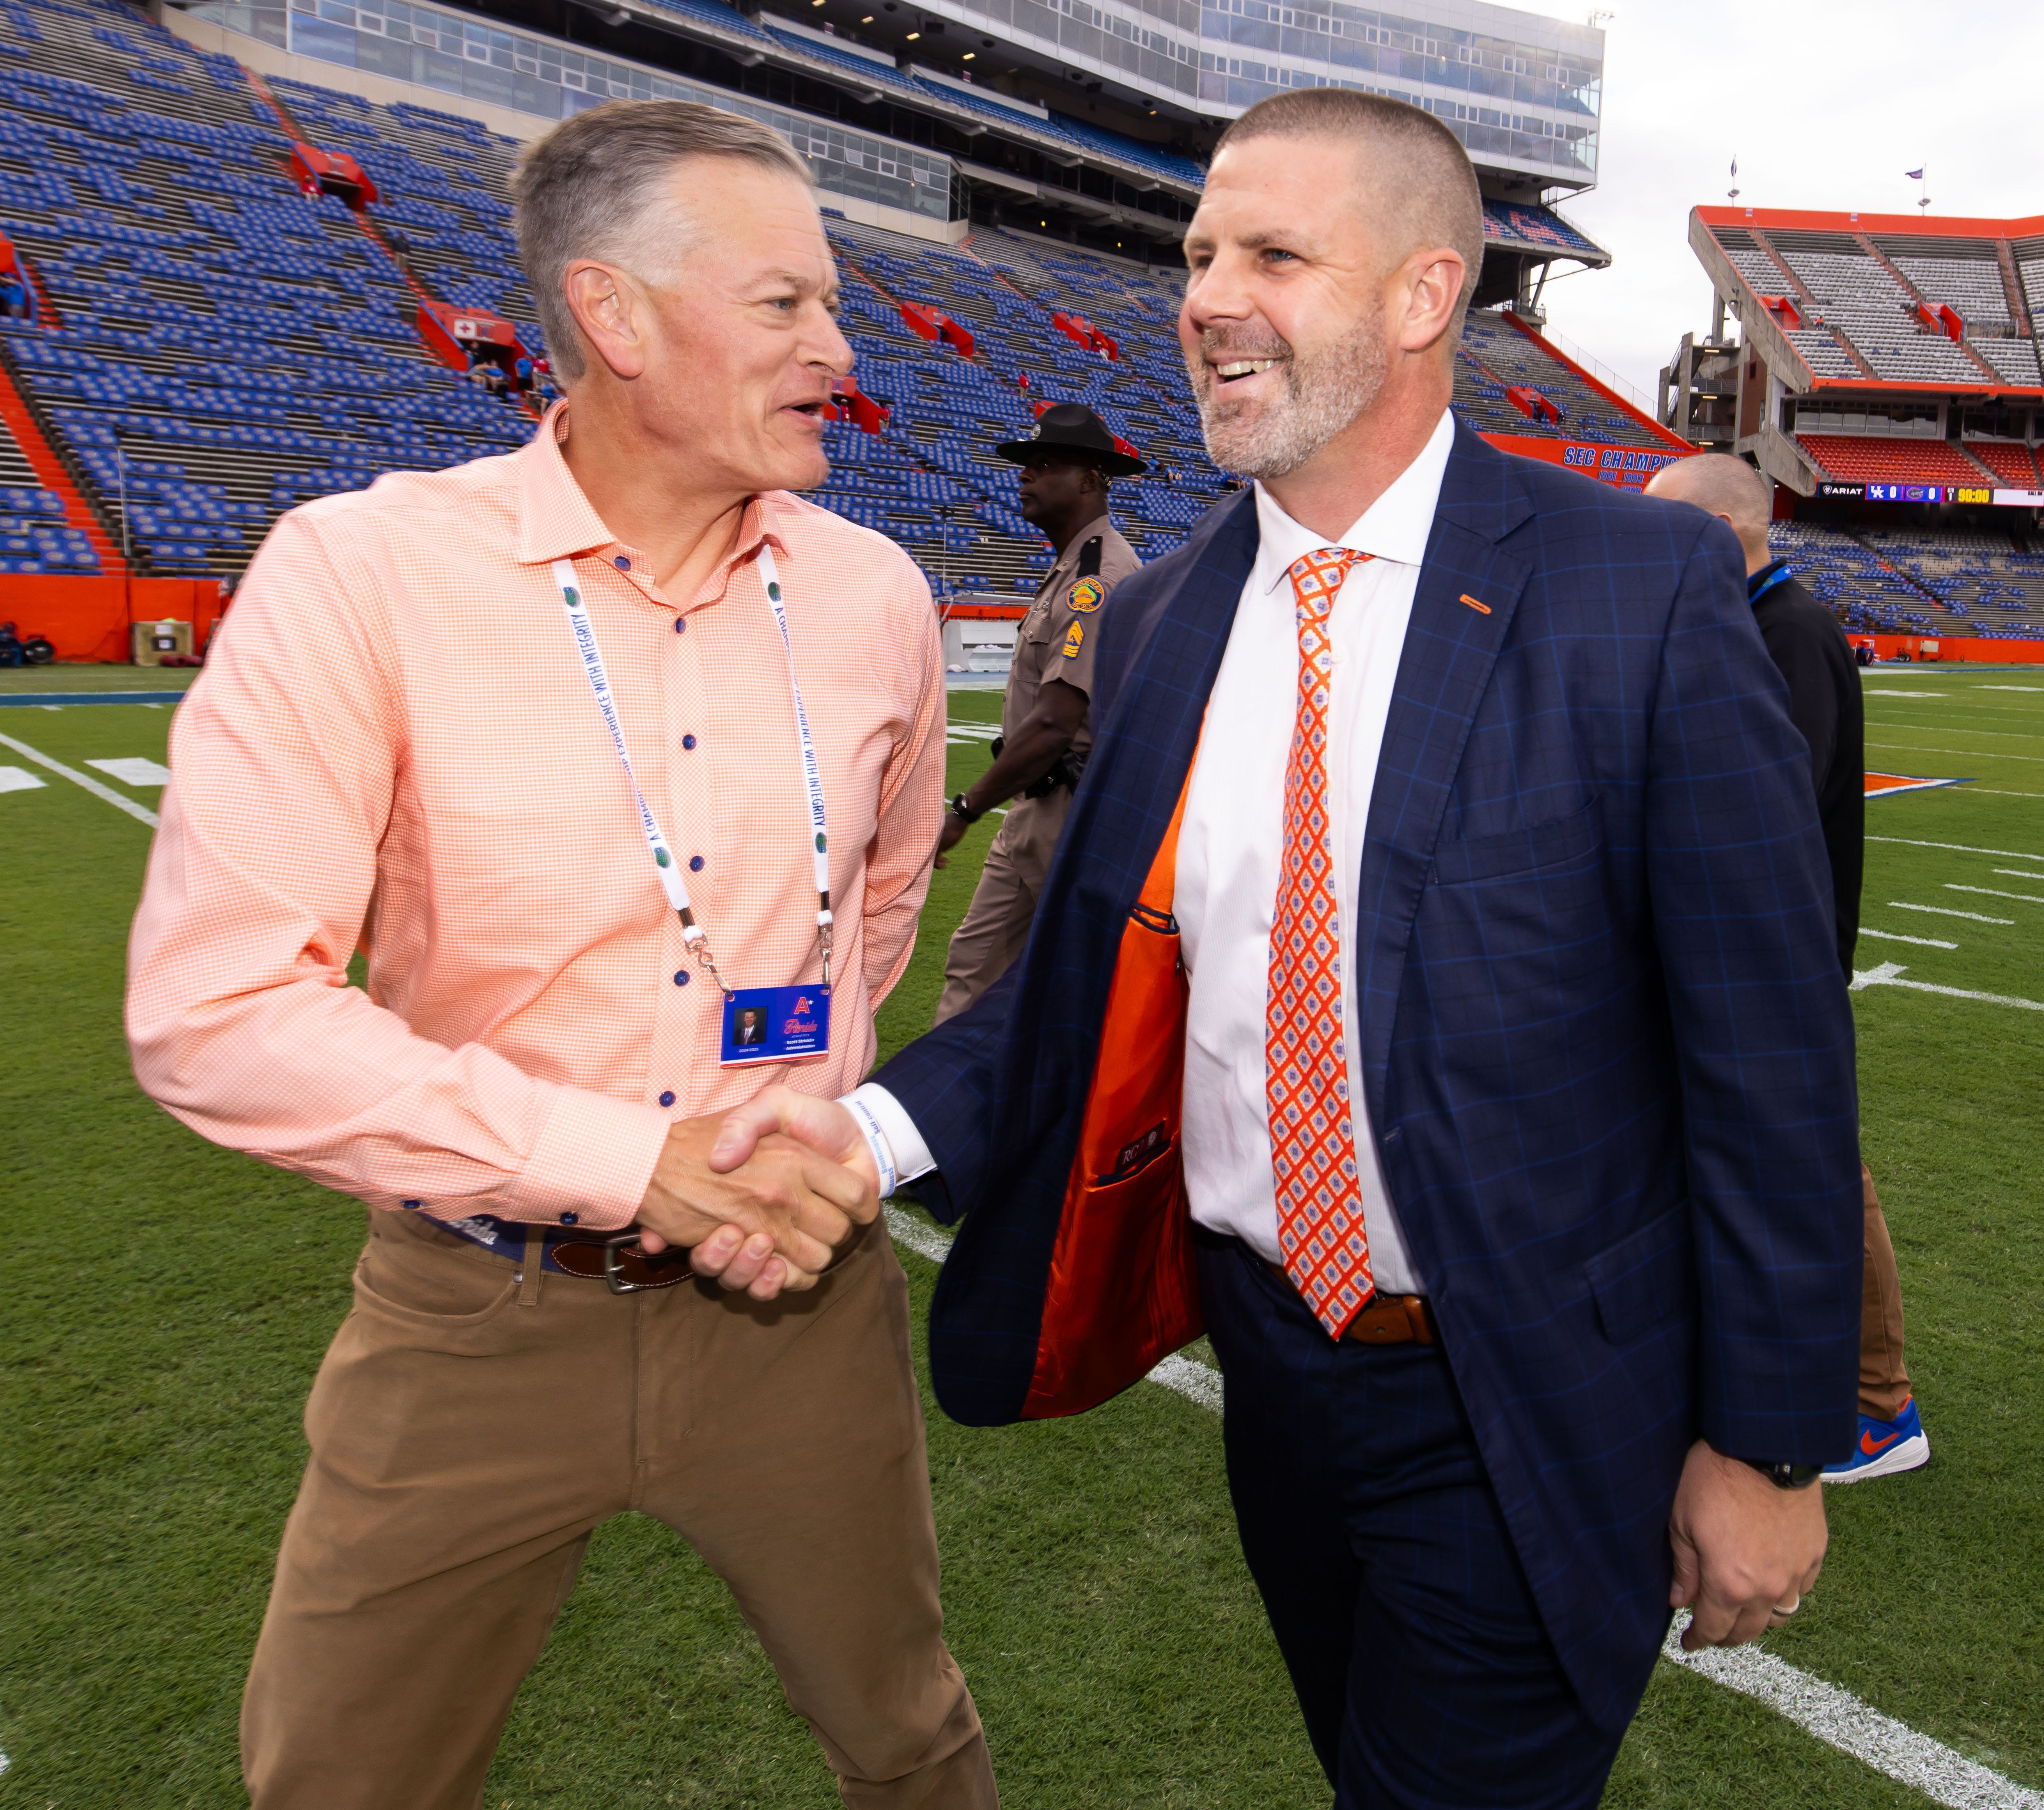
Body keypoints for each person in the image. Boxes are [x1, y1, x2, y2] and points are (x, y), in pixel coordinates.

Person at [727, 89, 1861, 1808]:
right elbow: (1083, 983)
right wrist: (863, 1131)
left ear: (1420, 297)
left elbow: (1767, 1048)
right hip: (1276, 1376)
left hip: (1532, 1392)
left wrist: (1771, 1439)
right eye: (1196, 255)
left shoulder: (1638, 586)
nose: (1203, 293)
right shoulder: (1171, 611)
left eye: (1271, 251)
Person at [126, 99, 996, 1810]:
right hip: (474, 1307)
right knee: (339, 1777)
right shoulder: (365, 574)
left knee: (911, 1742)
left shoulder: (875, 594)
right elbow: (214, 1009)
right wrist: (631, 1163)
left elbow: (872, 907)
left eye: (832, 302)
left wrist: (784, 1128)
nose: (840, 346)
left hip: (793, 1309)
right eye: (784, 305)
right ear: (611, 315)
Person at [1647, 452, 1927, 1483]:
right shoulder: (1746, 622)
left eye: (1665, 527)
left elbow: (1759, 814)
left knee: (1819, 1175)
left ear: (1723, 533)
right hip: (1726, 956)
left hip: (1774, 964)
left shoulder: (1791, 631)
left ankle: (1878, 1406)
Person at [932, 403, 1142, 1022]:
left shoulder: (1096, 580)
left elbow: (1054, 722)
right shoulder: (1073, 569)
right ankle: (962, 1113)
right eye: (1027, 465)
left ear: (1089, 481)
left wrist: (965, 810)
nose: (1025, 477)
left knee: (1081, 991)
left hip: (1070, 816)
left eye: (1044, 466)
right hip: (1037, 807)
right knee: (974, 970)